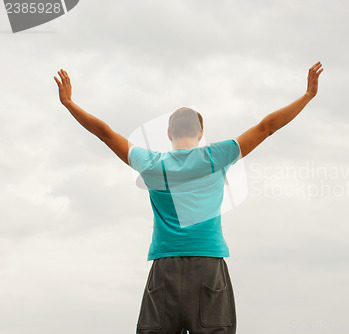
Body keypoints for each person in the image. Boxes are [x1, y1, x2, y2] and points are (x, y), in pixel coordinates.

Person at [54, 61, 323, 334]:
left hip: (165, 268)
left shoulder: (151, 164)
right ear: (201, 133)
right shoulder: (217, 156)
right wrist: (307, 96)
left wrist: (69, 103)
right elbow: (266, 127)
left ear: (169, 133)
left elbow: (104, 133)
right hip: (208, 265)